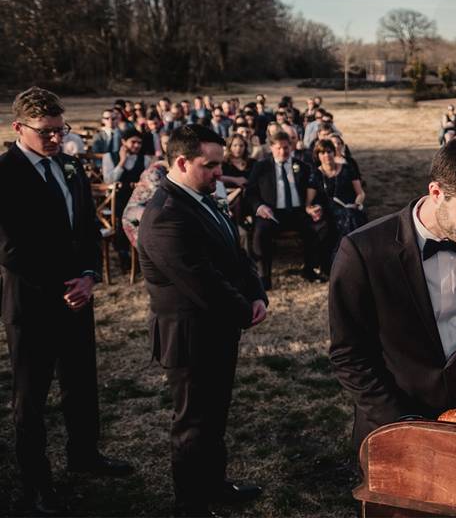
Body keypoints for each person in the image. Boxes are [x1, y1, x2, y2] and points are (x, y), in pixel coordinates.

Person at [328, 138, 456, 453]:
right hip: (394, 424)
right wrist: (403, 422)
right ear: (436, 192)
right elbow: (350, 355)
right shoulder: (364, 251)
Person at [1, 88, 132, 515]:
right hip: (33, 302)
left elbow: (89, 231)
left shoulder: (72, 166)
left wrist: (90, 275)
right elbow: (9, 248)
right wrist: (65, 282)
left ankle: (85, 455)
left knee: (81, 384)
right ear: (18, 128)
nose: (58, 139)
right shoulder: (5, 173)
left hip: (79, 296)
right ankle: (37, 484)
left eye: (62, 130)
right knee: (31, 398)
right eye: (47, 132)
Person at [138, 125, 267, 517]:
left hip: (219, 330)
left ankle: (215, 484)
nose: (218, 172)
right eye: (209, 165)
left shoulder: (204, 198)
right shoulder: (165, 215)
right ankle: (190, 504)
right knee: (192, 425)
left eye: (220, 164)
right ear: (180, 162)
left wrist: (257, 292)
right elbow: (202, 281)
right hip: (189, 336)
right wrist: (245, 310)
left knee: (216, 415)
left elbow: (234, 251)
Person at [246, 131, 333, 289]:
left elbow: (316, 190)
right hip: (272, 213)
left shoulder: (303, 167)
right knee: (260, 232)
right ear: (271, 148)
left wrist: (316, 206)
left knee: (321, 226)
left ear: (291, 147)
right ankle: (264, 276)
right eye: (278, 148)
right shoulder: (261, 167)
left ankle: (310, 268)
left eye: (286, 148)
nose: (283, 152)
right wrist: (259, 206)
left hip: (298, 213)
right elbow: (250, 192)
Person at [103, 128, 154, 268]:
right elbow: (108, 181)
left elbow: (148, 183)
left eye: (139, 143)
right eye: (133, 142)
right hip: (116, 200)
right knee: (120, 216)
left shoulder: (145, 159)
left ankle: (140, 254)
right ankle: (124, 254)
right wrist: (122, 161)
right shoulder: (109, 157)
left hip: (138, 201)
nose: (137, 145)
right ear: (123, 142)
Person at [314, 138, 366, 241]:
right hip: (328, 211)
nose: (326, 155)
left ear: (334, 152)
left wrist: (356, 204)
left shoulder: (347, 169)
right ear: (318, 156)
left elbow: (360, 193)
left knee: (351, 216)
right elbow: (310, 201)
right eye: (322, 153)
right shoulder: (315, 174)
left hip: (349, 207)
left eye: (329, 152)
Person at [122, 156, 169, 249]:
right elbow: (160, 197)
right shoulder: (154, 172)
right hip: (135, 217)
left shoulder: (165, 171)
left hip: (148, 214)